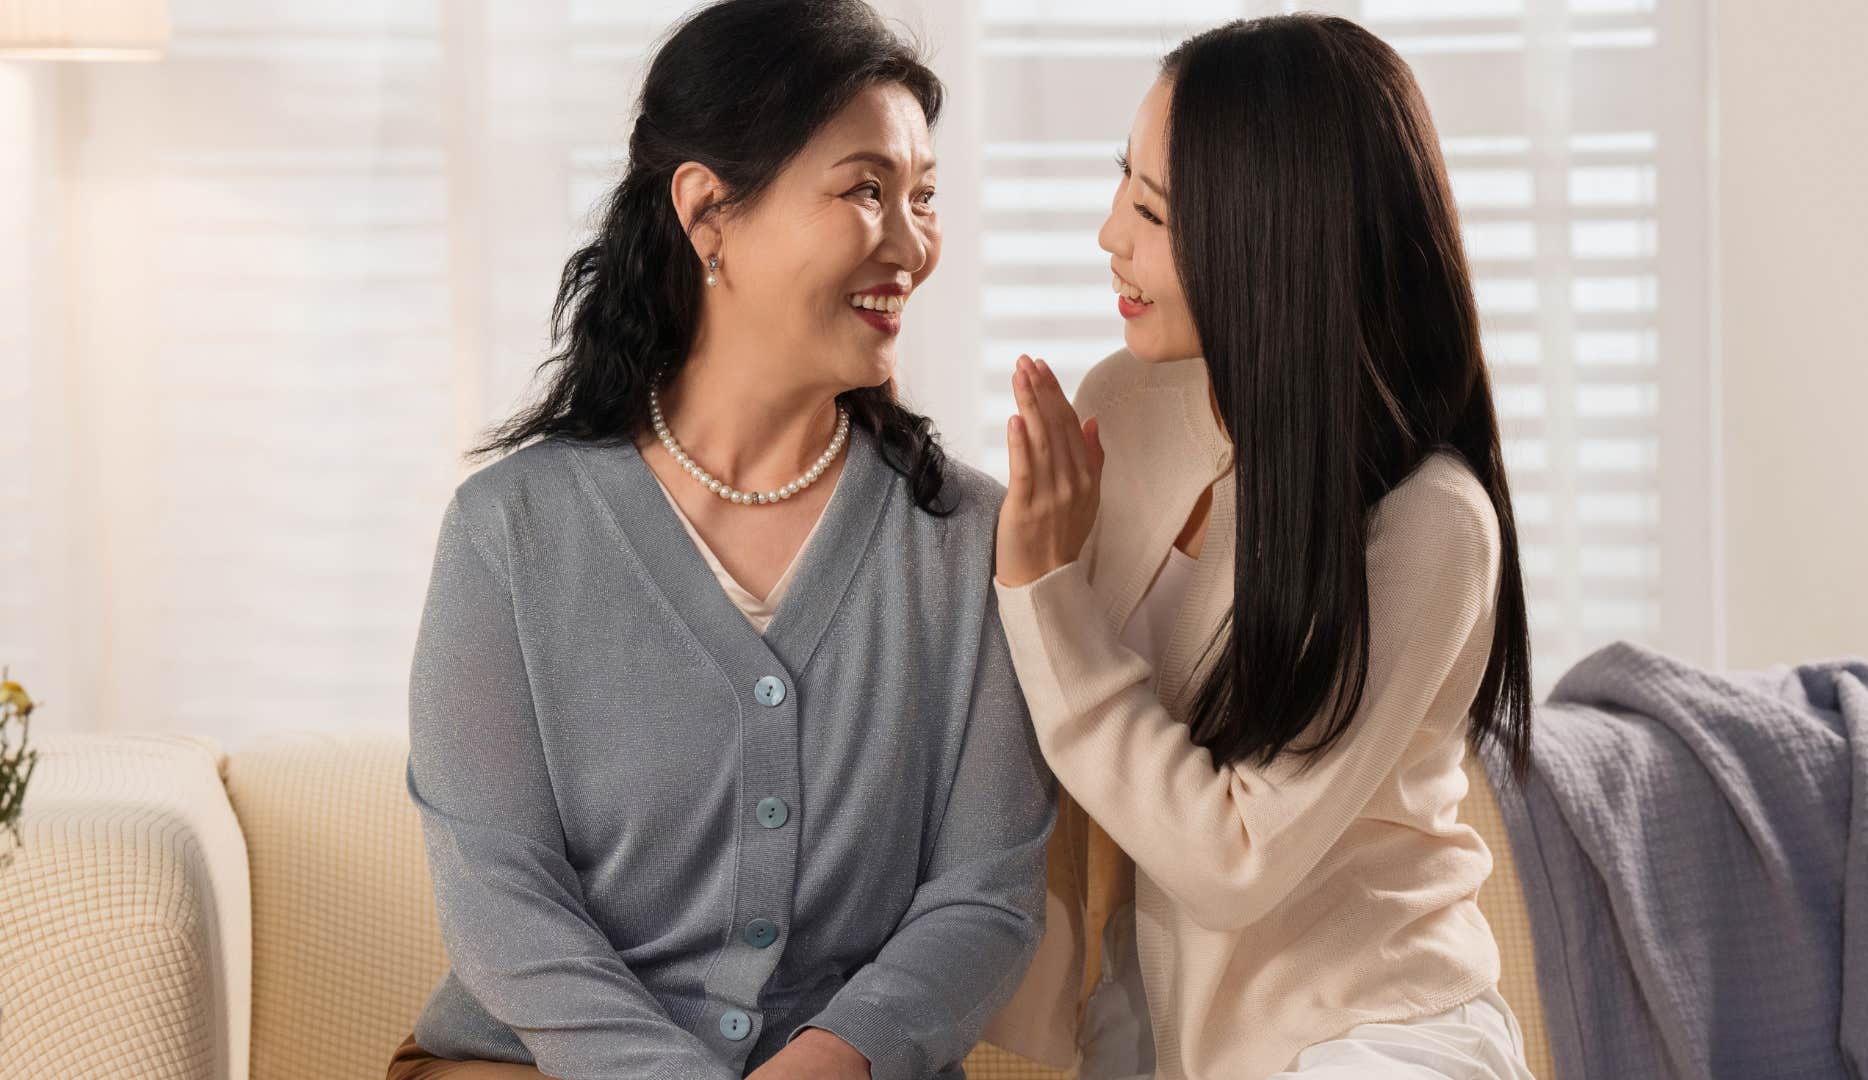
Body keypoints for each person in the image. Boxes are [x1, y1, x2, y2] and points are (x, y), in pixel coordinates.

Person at [388, 2, 1054, 1077]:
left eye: (923, 198)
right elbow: (502, 901)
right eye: (864, 190)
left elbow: (985, 893)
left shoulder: (965, 540)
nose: (912, 243)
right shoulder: (510, 533)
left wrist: (831, 1057)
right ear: (707, 212)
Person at [986, 14, 1537, 1079]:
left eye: (1150, 209)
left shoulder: (1429, 521)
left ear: (1267, 231)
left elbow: (1234, 856)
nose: (1110, 235)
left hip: (1379, 1037)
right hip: (1160, 1039)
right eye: (1121, 186)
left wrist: (1044, 590)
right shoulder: (1122, 406)